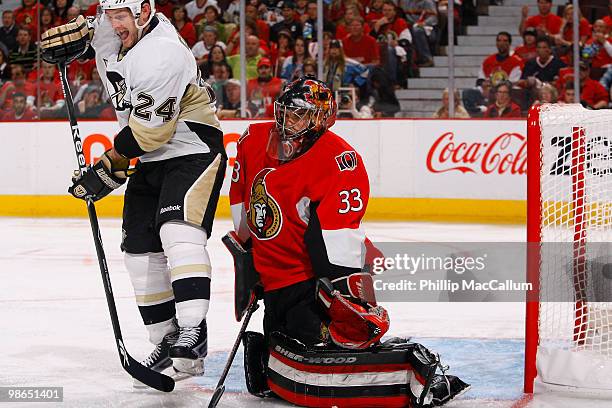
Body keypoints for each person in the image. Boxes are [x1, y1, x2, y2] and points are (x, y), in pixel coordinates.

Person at [228, 77, 469, 407]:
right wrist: (250, 265)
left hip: (307, 281)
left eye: (298, 115)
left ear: (319, 119)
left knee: (322, 344)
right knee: (278, 350)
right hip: (274, 280)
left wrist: (342, 297)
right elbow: (242, 205)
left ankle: (413, 373)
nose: (286, 123)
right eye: (284, 113)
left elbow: (339, 242)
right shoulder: (253, 140)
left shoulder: (339, 160)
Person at [41, 0, 227, 380]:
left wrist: (108, 166)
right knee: (138, 249)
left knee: (178, 233)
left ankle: (193, 331)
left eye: (121, 15)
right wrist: (82, 32)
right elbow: (90, 30)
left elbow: (149, 132)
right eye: (110, 16)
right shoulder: (114, 28)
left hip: (193, 149)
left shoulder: (163, 54)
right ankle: (167, 340)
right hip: (152, 157)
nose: (114, 23)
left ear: (144, 12)